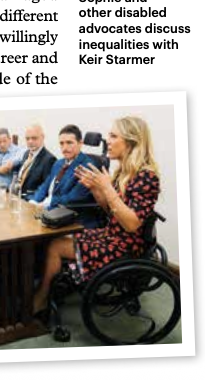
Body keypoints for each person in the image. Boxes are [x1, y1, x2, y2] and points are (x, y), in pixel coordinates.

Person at [33, 117, 161, 313]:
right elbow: (111, 211)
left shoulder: (146, 176)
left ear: (131, 141)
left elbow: (132, 224)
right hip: (111, 235)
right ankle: (46, 292)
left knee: (56, 246)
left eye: (113, 136)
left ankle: (40, 299)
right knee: (56, 239)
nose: (107, 141)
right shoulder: (124, 172)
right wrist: (96, 189)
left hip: (124, 245)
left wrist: (107, 188)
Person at [28, 125, 99, 221]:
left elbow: (73, 198)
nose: (64, 148)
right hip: (47, 210)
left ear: (80, 143)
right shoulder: (59, 163)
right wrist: (34, 202)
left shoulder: (87, 166)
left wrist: (48, 203)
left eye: (69, 143)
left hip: (69, 216)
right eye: (61, 143)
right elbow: (45, 186)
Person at [14, 124, 57, 199]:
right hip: (17, 197)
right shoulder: (26, 153)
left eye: (34, 138)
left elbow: (46, 190)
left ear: (42, 137)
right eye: (27, 139)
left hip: (31, 201)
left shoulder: (49, 159)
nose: (30, 141)